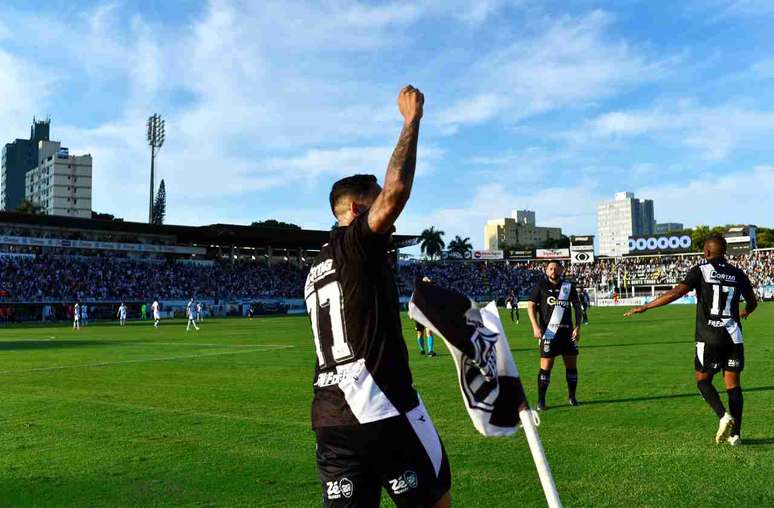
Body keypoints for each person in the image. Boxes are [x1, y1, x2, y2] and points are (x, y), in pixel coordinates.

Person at [306, 85, 450, 507]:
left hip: (330, 418)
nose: (385, 218)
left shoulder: (317, 265)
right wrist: (412, 122)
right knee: (434, 500)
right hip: (380, 405)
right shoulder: (356, 245)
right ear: (354, 212)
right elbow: (397, 190)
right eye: (372, 207)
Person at [625, 235, 757, 446]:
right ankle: (736, 436)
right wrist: (745, 312)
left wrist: (646, 306)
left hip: (709, 337)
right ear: (725, 252)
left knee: (703, 381)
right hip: (734, 337)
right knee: (733, 386)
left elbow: (677, 292)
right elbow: (752, 302)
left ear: (706, 252)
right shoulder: (738, 273)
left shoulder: (700, 270)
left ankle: (723, 416)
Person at [527, 260, 583, 411]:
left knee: (571, 366)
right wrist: (535, 327)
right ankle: (541, 401)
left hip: (567, 332)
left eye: (556, 268)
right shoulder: (540, 286)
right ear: (546, 270)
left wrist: (578, 327)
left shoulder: (568, 287)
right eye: (551, 268)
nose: (553, 270)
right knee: (546, 367)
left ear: (561, 270)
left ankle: (572, 397)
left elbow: (577, 308)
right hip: (549, 332)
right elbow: (531, 306)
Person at [413, 277, 437, 357]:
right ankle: (422, 350)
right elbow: (412, 303)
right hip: (419, 315)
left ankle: (430, 350)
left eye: (429, 282)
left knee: (429, 332)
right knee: (420, 333)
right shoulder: (417, 292)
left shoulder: (432, 293)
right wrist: (411, 313)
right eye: (428, 282)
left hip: (428, 315)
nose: (429, 283)